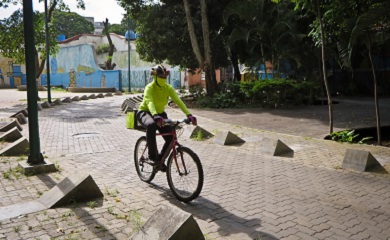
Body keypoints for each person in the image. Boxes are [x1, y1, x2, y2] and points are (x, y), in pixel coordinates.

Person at [136, 64, 197, 169]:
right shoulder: (149, 88)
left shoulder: (168, 88)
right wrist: (155, 115)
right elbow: (150, 102)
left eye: (165, 77)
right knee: (151, 125)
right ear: (155, 77)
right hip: (145, 112)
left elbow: (178, 101)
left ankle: (160, 159)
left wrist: (189, 114)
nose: (163, 79)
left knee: (171, 138)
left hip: (159, 114)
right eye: (161, 77)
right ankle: (152, 157)